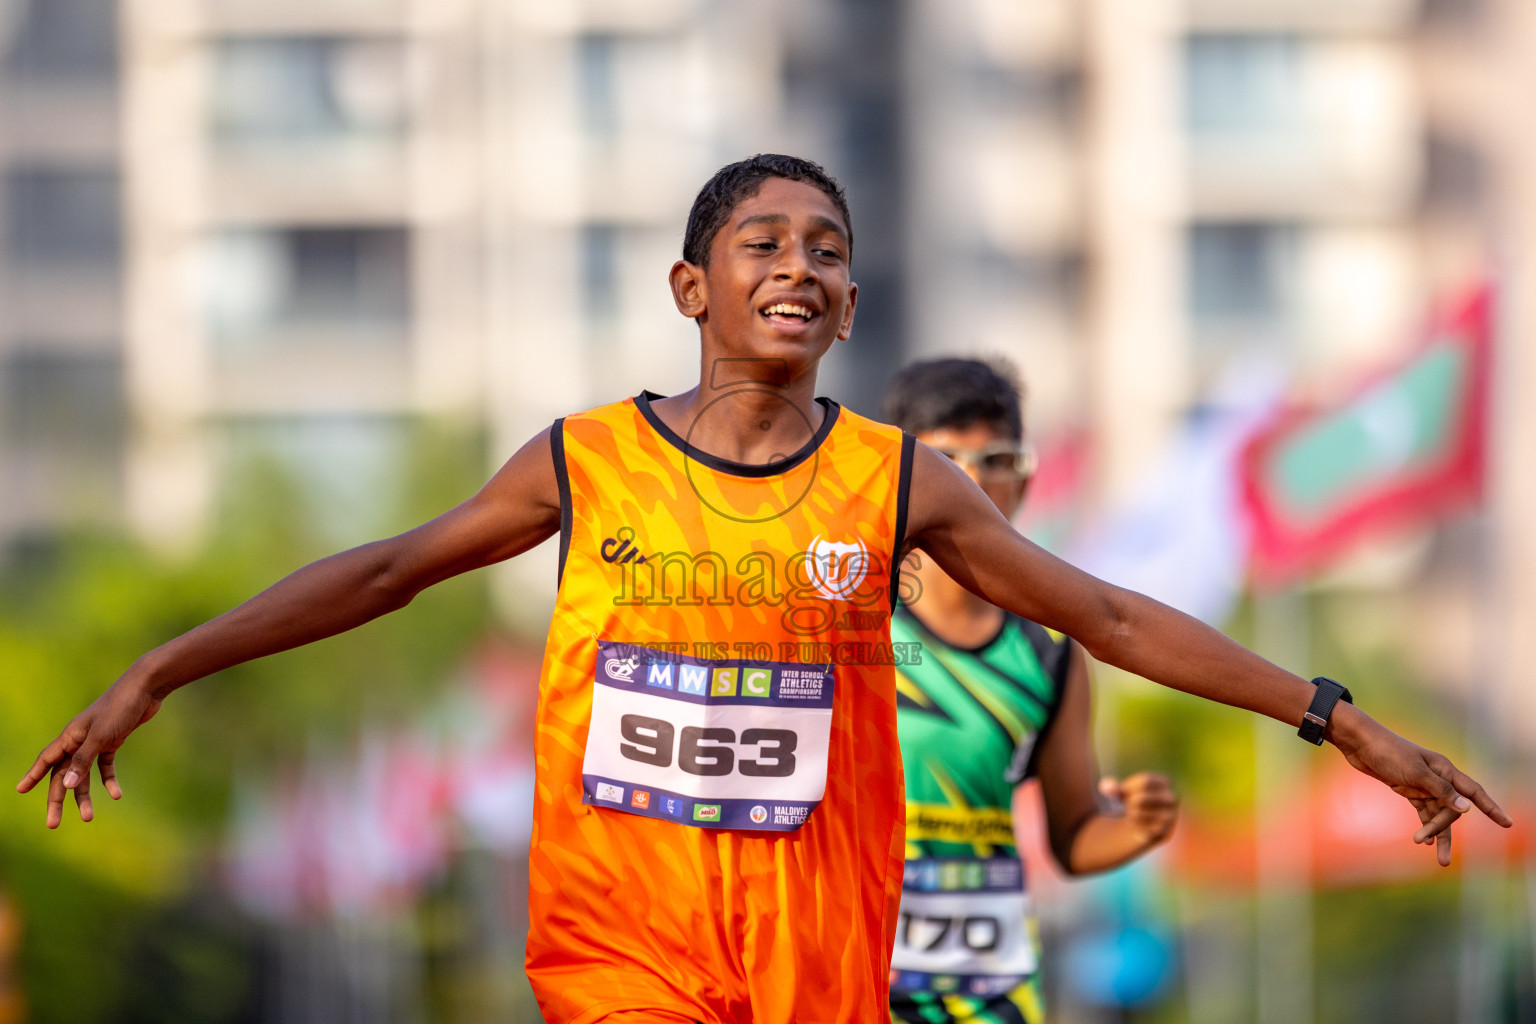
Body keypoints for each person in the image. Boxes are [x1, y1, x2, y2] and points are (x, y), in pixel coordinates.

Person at [18, 154, 1509, 1024]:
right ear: (694, 289)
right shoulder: (589, 460)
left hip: (817, 947)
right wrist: (161, 669)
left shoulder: (897, 482)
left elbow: (1106, 616)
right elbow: (390, 570)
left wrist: (1338, 716)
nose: (799, 264)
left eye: (830, 251)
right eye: (762, 242)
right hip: (621, 941)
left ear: (851, 302)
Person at [883, 358, 1177, 1024]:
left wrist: (1135, 830)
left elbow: (1073, 837)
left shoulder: (1048, 654)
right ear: (899, 476)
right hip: (855, 981)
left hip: (988, 991)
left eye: (995, 457)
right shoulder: (851, 627)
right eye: (944, 457)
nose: (971, 478)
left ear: (1025, 477)